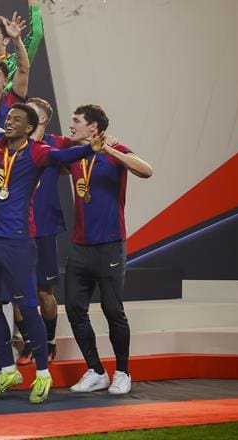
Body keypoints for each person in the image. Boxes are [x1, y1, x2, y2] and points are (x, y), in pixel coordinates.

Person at [0, 41, 104, 404]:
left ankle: (42, 374)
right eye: (7, 118)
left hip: (20, 240)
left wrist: (90, 146)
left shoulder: (39, 151)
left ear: (29, 127)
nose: (7, 121)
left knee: (27, 306)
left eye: (14, 119)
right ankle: (8, 371)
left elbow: (65, 153)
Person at [61, 105, 153, 396]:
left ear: (94, 127)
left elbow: (146, 170)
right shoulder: (74, 152)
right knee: (75, 308)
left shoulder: (115, 149)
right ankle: (96, 371)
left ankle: (123, 372)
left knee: (113, 310)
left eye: (77, 121)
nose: (71, 125)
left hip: (111, 245)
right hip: (79, 247)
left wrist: (109, 150)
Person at [14, 98, 63, 367]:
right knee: (19, 293)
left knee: (45, 291)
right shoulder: (14, 146)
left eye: (33, 113)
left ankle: (50, 341)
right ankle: (31, 344)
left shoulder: (57, 144)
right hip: (17, 228)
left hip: (44, 227)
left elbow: (83, 152)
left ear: (42, 119)